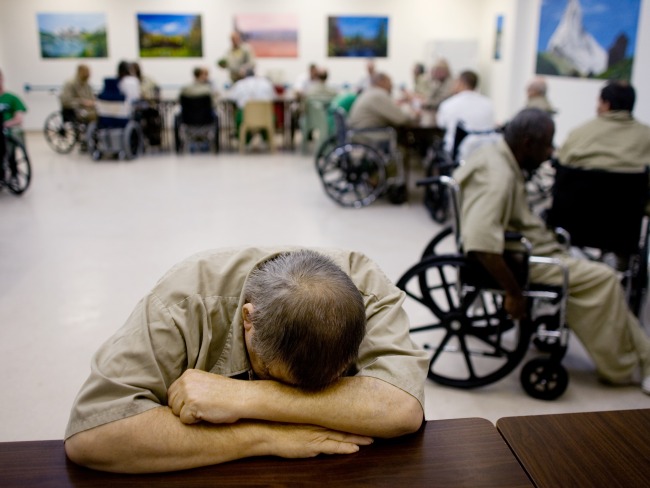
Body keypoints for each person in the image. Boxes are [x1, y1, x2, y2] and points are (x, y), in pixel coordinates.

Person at [64, 247, 428, 473]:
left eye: (326, 386)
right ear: (248, 319)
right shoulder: (181, 301)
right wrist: (264, 436)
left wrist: (243, 398)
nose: (291, 396)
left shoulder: (367, 287)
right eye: (271, 374)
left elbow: (402, 408)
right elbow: (93, 436)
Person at [452, 108, 650, 395]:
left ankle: (643, 357)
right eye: (547, 144)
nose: (551, 152)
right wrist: (514, 293)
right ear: (528, 144)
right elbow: (481, 243)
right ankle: (620, 366)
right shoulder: (499, 177)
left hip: (529, 248)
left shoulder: (494, 153)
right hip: (522, 259)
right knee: (605, 278)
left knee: (601, 279)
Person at [558, 81, 650, 176]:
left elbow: (560, 162)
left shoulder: (578, 133)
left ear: (606, 104)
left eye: (599, 102)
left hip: (583, 189)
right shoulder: (647, 135)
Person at [436, 70, 496, 160]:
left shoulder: (448, 104)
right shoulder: (489, 104)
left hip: (458, 155)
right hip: (486, 154)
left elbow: (441, 124)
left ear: (461, 83)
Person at [348, 72, 413, 139]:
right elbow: (402, 119)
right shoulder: (379, 94)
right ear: (382, 82)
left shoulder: (370, 92)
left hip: (360, 134)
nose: (391, 86)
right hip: (368, 136)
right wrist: (412, 114)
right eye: (389, 82)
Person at [0, 68, 27, 142]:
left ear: (2, 79)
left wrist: (4, 125)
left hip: (7, 129)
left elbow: (18, 119)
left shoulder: (13, 98)